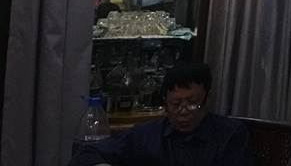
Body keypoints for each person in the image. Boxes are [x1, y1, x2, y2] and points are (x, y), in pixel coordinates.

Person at [69, 61, 252, 166]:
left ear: (207, 98)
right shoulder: (147, 135)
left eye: (192, 103)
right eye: (176, 104)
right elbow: (87, 153)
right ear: (165, 102)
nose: (183, 112)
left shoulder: (229, 135)